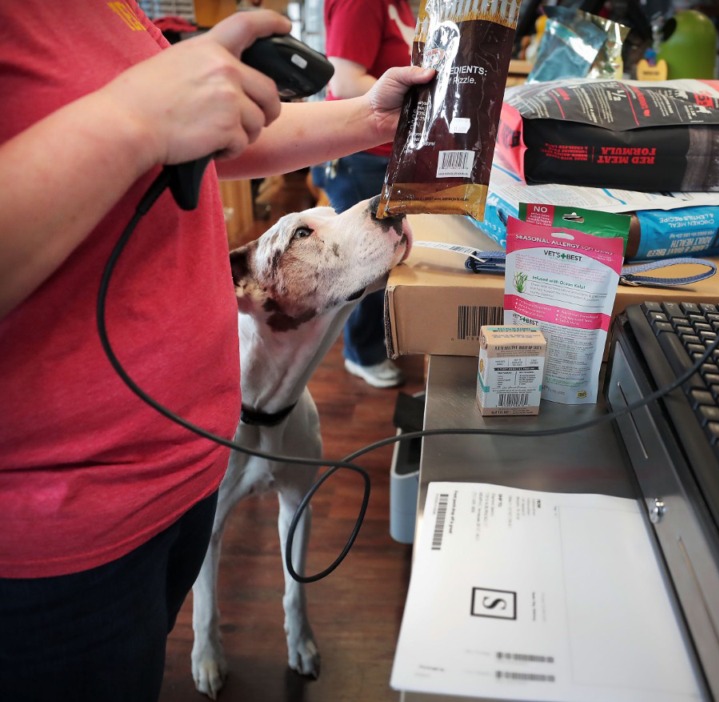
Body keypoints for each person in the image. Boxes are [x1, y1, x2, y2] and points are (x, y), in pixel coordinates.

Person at [0, 4, 433, 701]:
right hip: (61, 523)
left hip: (180, 465)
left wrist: (369, 119)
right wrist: (133, 118)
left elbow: (204, 143)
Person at [312, 0, 417, 389]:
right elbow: (343, 82)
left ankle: (373, 341)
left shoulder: (401, 5)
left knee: (382, 256)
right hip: (357, 155)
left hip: (382, 153)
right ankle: (362, 352)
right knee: (370, 259)